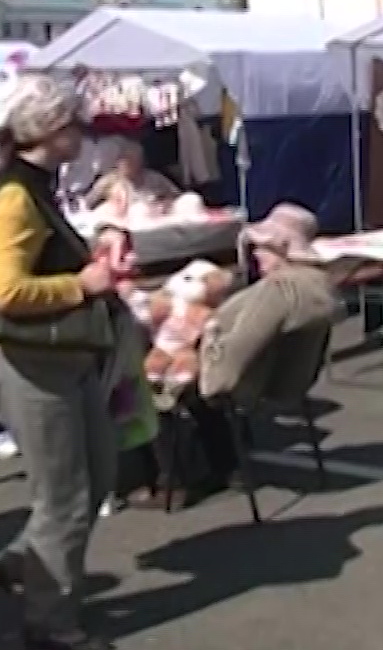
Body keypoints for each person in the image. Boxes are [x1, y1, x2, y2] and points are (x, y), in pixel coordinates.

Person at [0, 73, 120, 650]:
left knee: (95, 477)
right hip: (33, 360)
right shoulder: (15, 195)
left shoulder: (34, 186)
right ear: (52, 132)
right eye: (76, 126)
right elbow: (7, 290)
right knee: (65, 493)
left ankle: (25, 562)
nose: (83, 135)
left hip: (59, 356)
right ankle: (51, 618)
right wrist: (82, 283)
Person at [196, 202, 339, 446]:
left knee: (165, 382)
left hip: (256, 383)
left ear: (282, 248)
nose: (255, 254)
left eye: (263, 247)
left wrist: (207, 337)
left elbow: (236, 355)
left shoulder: (278, 291)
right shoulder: (318, 285)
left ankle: (197, 473)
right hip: (292, 381)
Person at [83, 138, 180, 210]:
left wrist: (165, 201)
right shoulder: (109, 181)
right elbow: (88, 203)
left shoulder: (154, 177)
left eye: (136, 160)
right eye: (128, 160)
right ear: (119, 162)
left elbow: (177, 195)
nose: (132, 164)